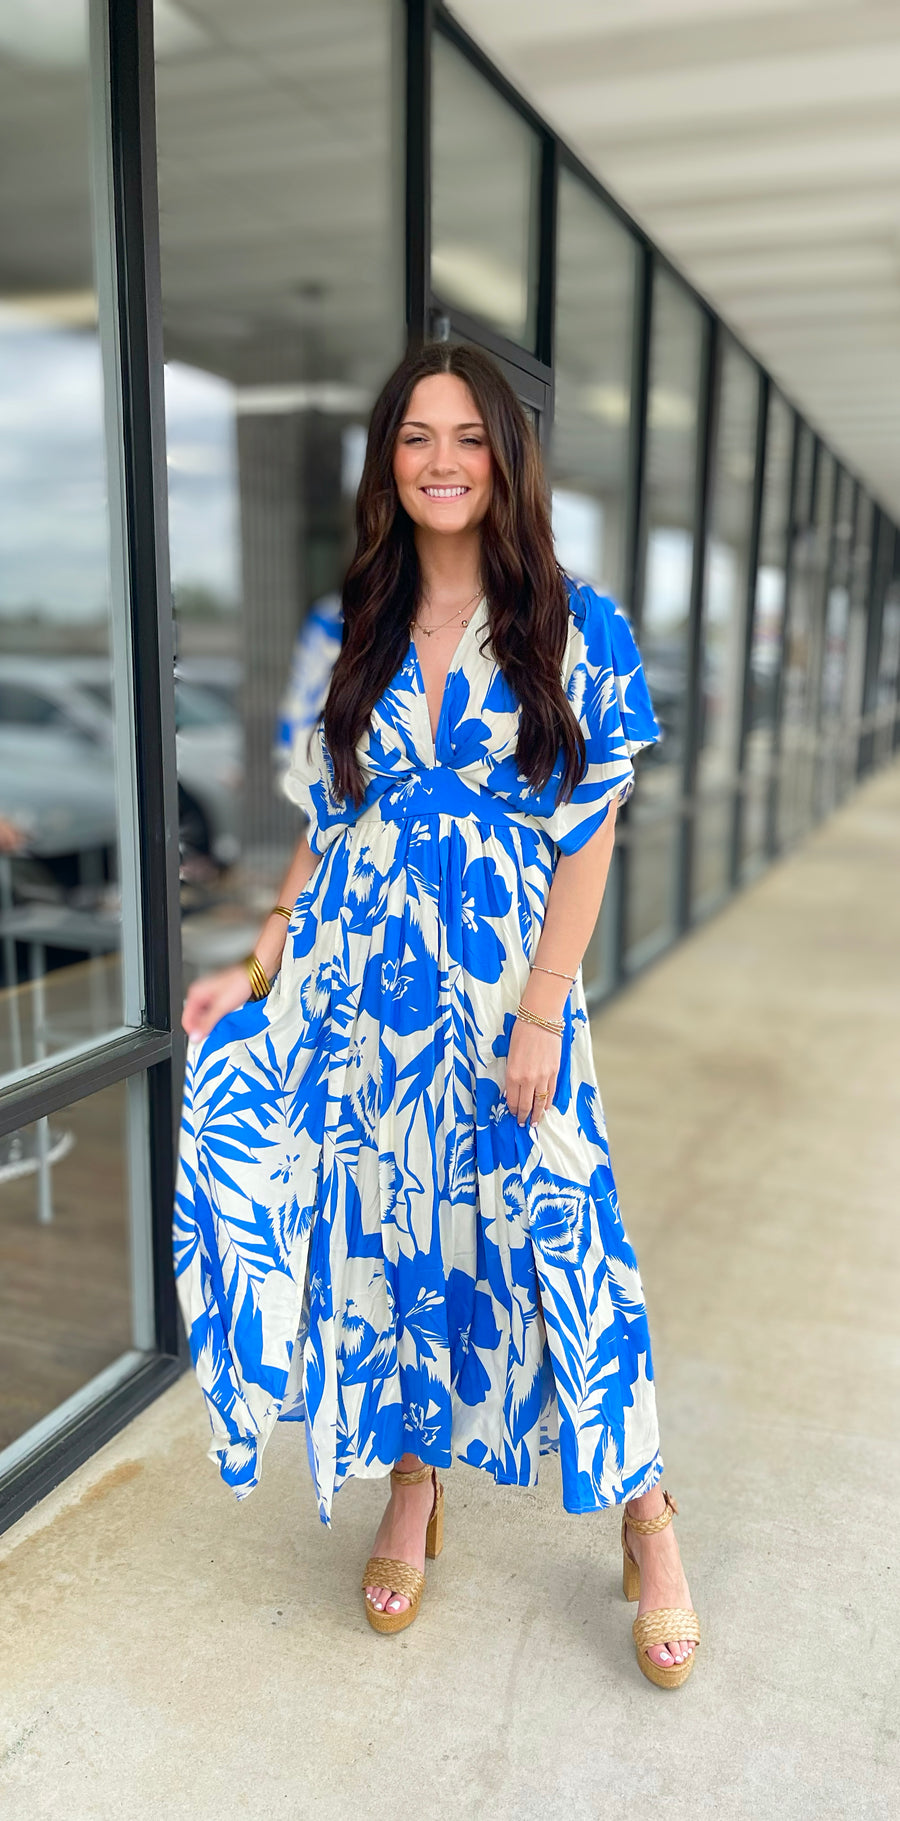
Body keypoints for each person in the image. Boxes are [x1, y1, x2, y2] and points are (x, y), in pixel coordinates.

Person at [174, 342, 701, 1690]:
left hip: (507, 996)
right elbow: (323, 824)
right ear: (387, 460)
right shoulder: (341, 627)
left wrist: (539, 1011)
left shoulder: (579, 626)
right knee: (397, 1230)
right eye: (416, 435)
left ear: (507, 458)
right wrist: (261, 965)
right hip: (362, 995)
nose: (443, 459)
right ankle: (414, 1486)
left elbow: (589, 833)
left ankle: (647, 1514)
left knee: (567, 1229)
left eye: (469, 435)